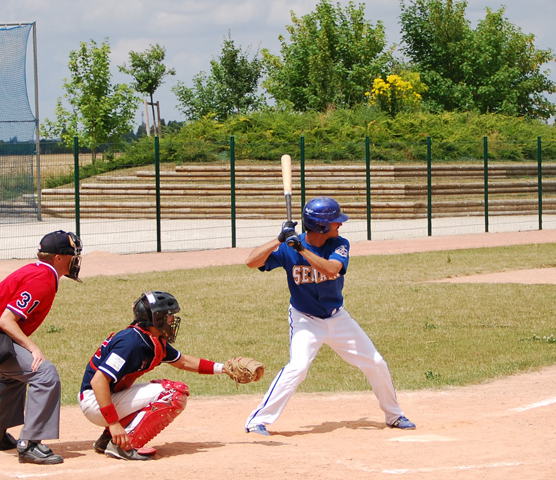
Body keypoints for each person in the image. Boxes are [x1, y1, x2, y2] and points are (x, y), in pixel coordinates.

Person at [242, 196, 414, 436]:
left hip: (338, 318)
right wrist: (279, 240)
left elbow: (332, 270)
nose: (340, 225)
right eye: (335, 222)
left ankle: (394, 415)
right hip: (305, 320)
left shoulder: (338, 244)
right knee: (298, 368)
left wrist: (300, 248)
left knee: (375, 362)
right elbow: (251, 262)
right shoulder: (288, 247)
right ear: (322, 226)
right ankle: (257, 421)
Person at [0, 230, 83, 465]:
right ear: (58, 258)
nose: (75, 259)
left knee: (15, 375)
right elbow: (6, 320)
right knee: (45, 374)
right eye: (72, 254)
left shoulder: (38, 272)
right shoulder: (42, 279)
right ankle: (30, 443)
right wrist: (33, 347)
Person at [79, 291, 241, 461]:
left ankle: (107, 440)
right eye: (169, 315)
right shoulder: (131, 342)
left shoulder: (150, 338)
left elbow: (183, 362)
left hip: (106, 397)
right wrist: (113, 423)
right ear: (157, 318)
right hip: (96, 401)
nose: (173, 320)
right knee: (172, 393)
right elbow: (98, 381)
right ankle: (123, 446)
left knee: (162, 389)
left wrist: (223, 368)